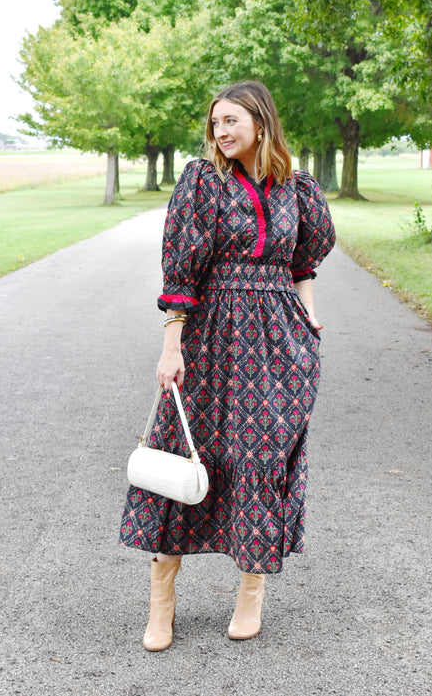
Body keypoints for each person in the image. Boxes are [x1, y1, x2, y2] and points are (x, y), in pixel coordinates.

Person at [120, 80, 335, 651]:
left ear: (260, 123)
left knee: (261, 456)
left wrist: (309, 317)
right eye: (215, 122)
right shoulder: (202, 182)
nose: (220, 132)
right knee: (184, 454)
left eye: (231, 120)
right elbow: (180, 268)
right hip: (211, 334)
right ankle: (161, 607)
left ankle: (250, 594)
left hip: (278, 340)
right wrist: (172, 346)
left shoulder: (299, 189)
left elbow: (304, 260)